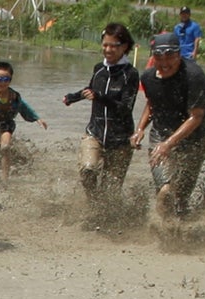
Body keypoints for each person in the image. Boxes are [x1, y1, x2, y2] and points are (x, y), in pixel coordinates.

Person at [132, 31, 205, 220]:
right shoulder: (148, 77)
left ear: (179, 55)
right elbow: (152, 104)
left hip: (195, 136)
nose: (164, 63)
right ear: (153, 57)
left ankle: (180, 226)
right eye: (159, 57)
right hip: (161, 132)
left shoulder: (194, 76)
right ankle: (162, 227)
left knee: (181, 196)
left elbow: (196, 116)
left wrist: (169, 144)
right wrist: (140, 129)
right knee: (165, 189)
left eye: (170, 56)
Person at [63, 22, 139, 207]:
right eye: (105, 45)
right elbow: (91, 90)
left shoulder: (130, 74)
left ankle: (105, 214)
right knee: (88, 170)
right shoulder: (98, 68)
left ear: (125, 47)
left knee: (111, 190)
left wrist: (100, 97)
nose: (108, 49)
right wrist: (73, 97)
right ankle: (93, 203)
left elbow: (125, 107)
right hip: (95, 133)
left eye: (113, 46)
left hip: (120, 139)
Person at [0, 61, 47, 184]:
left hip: (6, 124)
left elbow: (24, 107)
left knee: (5, 147)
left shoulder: (14, 96)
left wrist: (37, 118)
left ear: (10, 79)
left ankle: (5, 179)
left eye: (6, 79)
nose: (3, 82)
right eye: (0, 79)